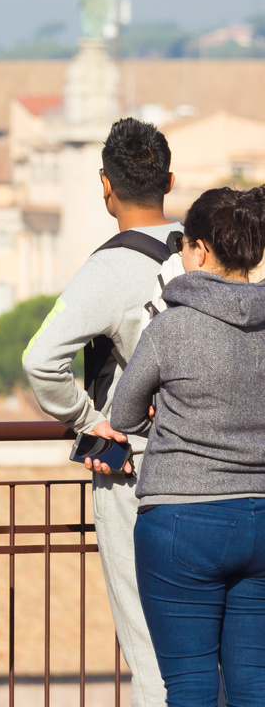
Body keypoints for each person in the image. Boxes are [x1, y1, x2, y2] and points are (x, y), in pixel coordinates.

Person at [22, 118, 176, 707]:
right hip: (227, 470)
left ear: (105, 186)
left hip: (134, 470)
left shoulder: (111, 268)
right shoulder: (208, 246)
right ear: (168, 180)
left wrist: (88, 422)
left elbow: (41, 361)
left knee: (148, 642)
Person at [110, 185, 265, 704]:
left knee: (190, 685)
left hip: (181, 520)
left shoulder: (169, 328)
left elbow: (125, 415)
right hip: (261, 516)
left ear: (197, 250)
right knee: (254, 684)